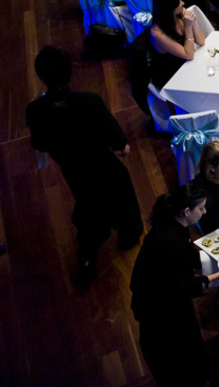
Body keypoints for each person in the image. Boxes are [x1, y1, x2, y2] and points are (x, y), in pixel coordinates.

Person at [28, 45, 142, 281]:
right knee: (123, 200)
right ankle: (128, 236)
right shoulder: (90, 102)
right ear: (70, 71)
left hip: (74, 172)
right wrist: (120, 147)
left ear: (41, 77)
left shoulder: (36, 110)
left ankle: (87, 259)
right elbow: (120, 143)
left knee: (87, 208)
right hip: (104, 166)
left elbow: (39, 143)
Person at [129, 185, 219, 387]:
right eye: (201, 208)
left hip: (161, 297)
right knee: (179, 349)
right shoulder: (171, 242)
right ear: (187, 211)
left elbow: (187, 258)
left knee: (188, 339)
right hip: (161, 308)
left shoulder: (172, 226)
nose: (205, 211)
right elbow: (185, 286)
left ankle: (199, 368)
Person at [148, 0, 207, 87]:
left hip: (186, 63)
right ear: (170, 8)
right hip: (172, 74)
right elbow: (189, 55)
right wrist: (188, 27)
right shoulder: (158, 34)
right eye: (179, 2)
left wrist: (192, 23)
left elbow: (201, 40)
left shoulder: (177, 15)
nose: (183, 3)